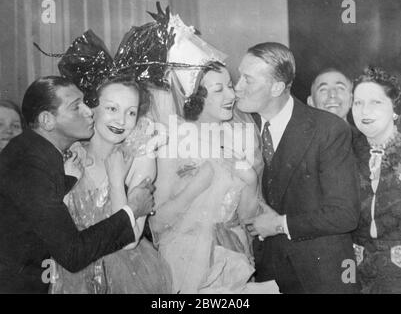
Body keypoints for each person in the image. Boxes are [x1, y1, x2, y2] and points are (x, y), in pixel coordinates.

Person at [0, 76, 155, 293]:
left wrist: (69, 181)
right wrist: (133, 207)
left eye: (131, 112)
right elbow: (73, 252)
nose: (87, 111)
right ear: (47, 120)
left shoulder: (43, 152)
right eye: (77, 107)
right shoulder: (32, 163)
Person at [236, 42, 360, 293]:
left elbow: (344, 214)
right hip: (265, 276)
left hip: (320, 279)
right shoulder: (239, 129)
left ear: (277, 87)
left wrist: (280, 224)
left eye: (247, 80)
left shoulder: (328, 130)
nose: (237, 87)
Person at [150, 61, 279, 294]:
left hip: (232, 250)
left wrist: (250, 181)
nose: (231, 94)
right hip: (186, 258)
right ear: (195, 96)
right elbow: (157, 222)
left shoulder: (242, 137)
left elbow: (248, 218)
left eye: (230, 86)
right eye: (219, 90)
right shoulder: (174, 141)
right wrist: (197, 186)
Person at [49, 76, 172, 293]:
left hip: (126, 274)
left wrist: (116, 182)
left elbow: (129, 240)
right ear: (91, 108)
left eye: (131, 112)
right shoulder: (68, 154)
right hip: (74, 273)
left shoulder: (140, 159)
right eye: (112, 108)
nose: (122, 120)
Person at [351, 67, 401, 293]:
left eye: (375, 103)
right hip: (355, 265)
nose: (364, 111)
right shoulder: (345, 149)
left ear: (394, 108)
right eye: (358, 103)